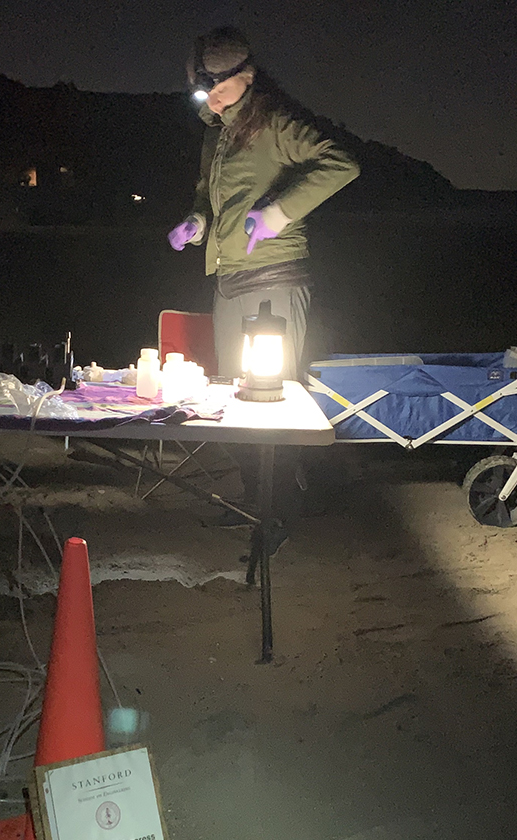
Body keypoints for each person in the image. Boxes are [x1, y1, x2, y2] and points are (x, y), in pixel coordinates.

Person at [167, 26, 359, 535]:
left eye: (221, 85)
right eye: (204, 87)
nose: (212, 95)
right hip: (228, 278)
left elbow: (341, 164)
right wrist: (197, 223)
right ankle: (259, 503)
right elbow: (209, 197)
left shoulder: (274, 121)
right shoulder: (217, 133)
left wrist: (278, 213)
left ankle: (289, 504)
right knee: (234, 398)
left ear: (248, 75)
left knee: (270, 397)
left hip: (275, 276)